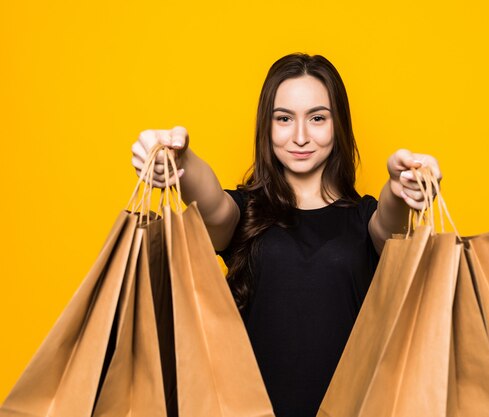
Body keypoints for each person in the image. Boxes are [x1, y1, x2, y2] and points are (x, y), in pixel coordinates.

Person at [130, 52, 442, 417]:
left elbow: (392, 224)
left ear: (337, 125)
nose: (300, 136)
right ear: (267, 126)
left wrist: (401, 183)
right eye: (284, 119)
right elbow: (211, 204)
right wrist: (181, 161)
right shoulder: (244, 214)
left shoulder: (364, 221)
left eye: (317, 118)